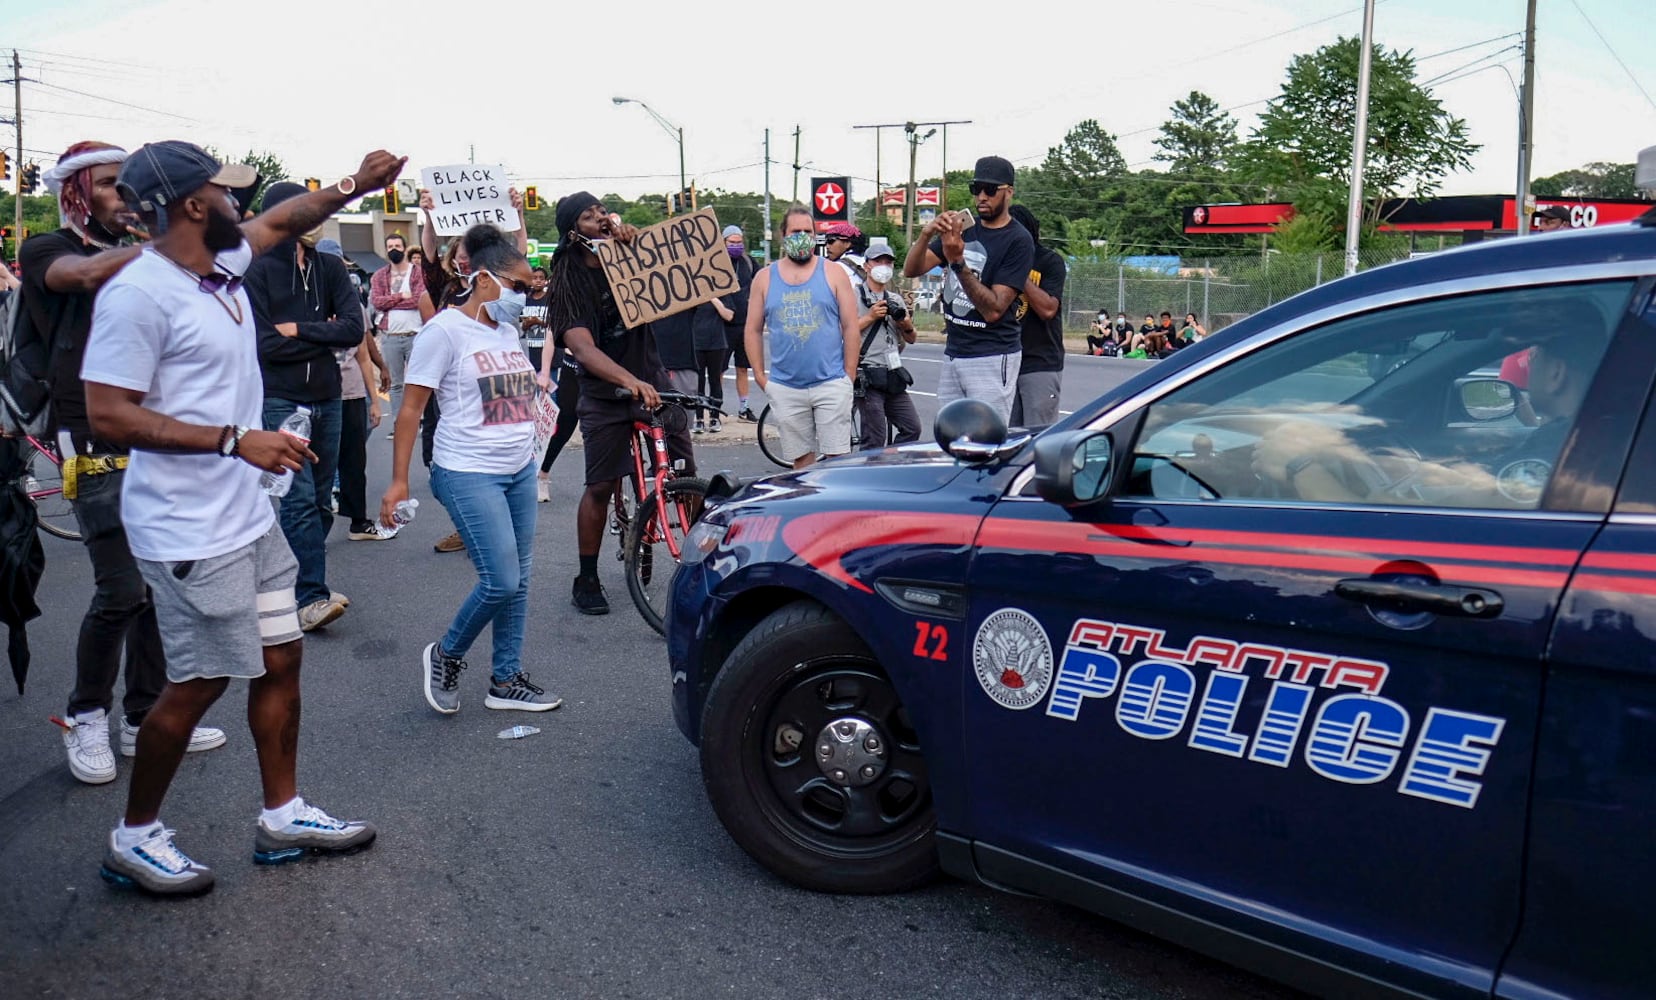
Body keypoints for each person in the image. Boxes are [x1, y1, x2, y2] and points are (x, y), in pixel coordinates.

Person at [82, 141, 401, 896]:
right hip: (189, 528)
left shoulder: (218, 267)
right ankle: (134, 838)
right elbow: (108, 414)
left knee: (283, 656)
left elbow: (288, 217)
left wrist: (358, 183)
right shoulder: (139, 295)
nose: (241, 207)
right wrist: (235, 439)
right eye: (227, 194)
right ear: (194, 205)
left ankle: (282, 813)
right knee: (201, 682)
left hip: (245, 516)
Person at [23, 141, 226, 786]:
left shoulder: (152, 257)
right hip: (89, 435)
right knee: (122, 589)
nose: (123, 197)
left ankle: (143, 718)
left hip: (151, 429)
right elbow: (78, 279)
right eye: (110, 185)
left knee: (161, 584)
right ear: (79, 192)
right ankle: (85, 716)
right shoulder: (49, 248)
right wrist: (166, 242)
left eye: (128, 186)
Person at [380, 225, 559, 715]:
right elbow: (412, 410)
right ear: (484, 280)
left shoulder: (504, 330)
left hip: (517, 470)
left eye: (528, 289)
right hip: (466, 471)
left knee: (518, 580)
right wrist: (398, 481)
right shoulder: (443, 331)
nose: (524, 298)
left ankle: (505, 680)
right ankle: (446, 654)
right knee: (500, 579)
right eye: (518, 287)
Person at [1254, 325, 1601, 509]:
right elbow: (1482, 492)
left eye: (1535, 355)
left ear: (1557, 373)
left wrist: (1298, 464)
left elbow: (1379, 532)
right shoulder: (1581, 440)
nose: (1528, 366)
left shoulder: (1557, 451)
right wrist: (1424, 473)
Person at [548, 192, 695, 615]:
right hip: (605, 392)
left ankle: (704, 556)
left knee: (685, 466)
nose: (600, 219)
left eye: (602, 212)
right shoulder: (567, 282)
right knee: (600, 485)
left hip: (652, 379)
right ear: (573, 233)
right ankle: (587, 577)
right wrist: (627, 381)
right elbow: (581, 345)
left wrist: (638, 247)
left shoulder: (628, 256)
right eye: (588, 217)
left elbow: (675, 280)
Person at [246, 182, 364, 632]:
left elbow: (353, 329)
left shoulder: (329, 266)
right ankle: (310, 596)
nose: (312, 218)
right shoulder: (255, 270)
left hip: (328, 398)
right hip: (279, 397)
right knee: (295, 499)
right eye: (303, 211)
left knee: (319, 499)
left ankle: (289, 581)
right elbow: (264, 344)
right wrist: (321, 334)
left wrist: (298, 328)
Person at [901, 155, 1034, 423]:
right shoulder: (963, 229)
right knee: (951, 435)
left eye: (990, 189)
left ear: (1009, 192)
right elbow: (912, 269)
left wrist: (957, 261)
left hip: (992, 355)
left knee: (987, 437)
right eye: (976, 188)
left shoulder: (1018, 240)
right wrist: (927, 234)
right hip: (955, 350)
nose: (982, 196)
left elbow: (995, 309)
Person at [745, 204, 860, 470]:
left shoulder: (833, 272)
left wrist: (848, 375)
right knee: (802, 464)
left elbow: (850, 326)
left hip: (831, 383)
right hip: (786, 387)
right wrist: (762, 377)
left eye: (808, 231)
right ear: (783, 235)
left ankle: (837, 513)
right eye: (796, 231)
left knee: (837, 461)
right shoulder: (764, 278)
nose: (802, 236)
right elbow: (752, 329)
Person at [315, 239, 394, 542]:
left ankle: (358, 522)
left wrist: (374, 399)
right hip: (316, 392)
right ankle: (313, 533)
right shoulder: (303, 302)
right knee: (318, 467)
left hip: (350, 391)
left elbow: (362, 350)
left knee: (354, 461)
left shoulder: (350, 301)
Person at [853, 239, 920, 448]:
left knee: (912, 428)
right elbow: (841, 332)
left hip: (893, 374)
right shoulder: (853, 296)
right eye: (878, 261)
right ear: (866, 266)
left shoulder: (896, 299)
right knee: (874, 438)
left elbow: (911, 338)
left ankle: (889, 462)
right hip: (866, 373)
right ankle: (869, 474)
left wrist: (906, 324)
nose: (884, 266)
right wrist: (870, 317)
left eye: (888, 262)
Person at [1008, 206, 1067, 427]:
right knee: (1006, 438)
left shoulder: (1050, 262)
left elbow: (1048, 310)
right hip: (1004, 361)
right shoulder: (997, 259)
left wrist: (1019, 271)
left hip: (1039, 361)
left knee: (1037, 437)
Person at [369, 231, 425, 439]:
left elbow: (419, 299)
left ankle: (420, 421)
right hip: (390, 335)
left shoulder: (417, 272)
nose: (394, 249)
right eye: (390, 246)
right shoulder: (379, 276)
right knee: (395, 383)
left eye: (398, 246)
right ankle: (398, 423)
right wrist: (401, 295)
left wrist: (391, 300)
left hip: (416, 333)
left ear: (404, 248)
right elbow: (377, 301)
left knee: (418, 380)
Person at [719, 225, 760, 421]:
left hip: (745, 324)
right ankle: (714, 407)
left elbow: (760, 284)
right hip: (722, 325)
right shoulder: (715, 263)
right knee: (719, 368)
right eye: (731, 243)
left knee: (743, 368)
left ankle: (744, 408)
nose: (736, 246)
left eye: (739, 242)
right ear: (724, 242)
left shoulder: (749, 262)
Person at [691, 291, 732, 433]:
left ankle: (715, 417)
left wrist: (713, 298)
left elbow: (729, 315)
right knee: (698, 382)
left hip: (717, 343)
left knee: (715, 381)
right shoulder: (693, 295)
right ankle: (699, 419)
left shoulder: (722, 293)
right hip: (696, 343)